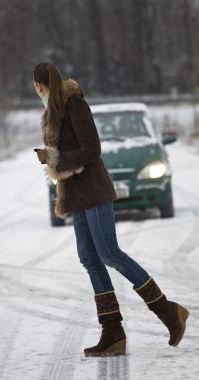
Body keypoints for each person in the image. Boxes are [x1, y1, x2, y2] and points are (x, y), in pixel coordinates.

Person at [32, 62, 189, 357]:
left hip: (95, 190)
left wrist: (56, 157)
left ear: (39, 85)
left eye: (36, 86)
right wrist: (52, 159)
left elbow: (92, 149)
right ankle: (112, 332)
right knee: (90, 259)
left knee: (109, 253)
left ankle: (168, 312)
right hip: (76, 195)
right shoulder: (51, 113)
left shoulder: (74, 103)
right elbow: (66, 154)